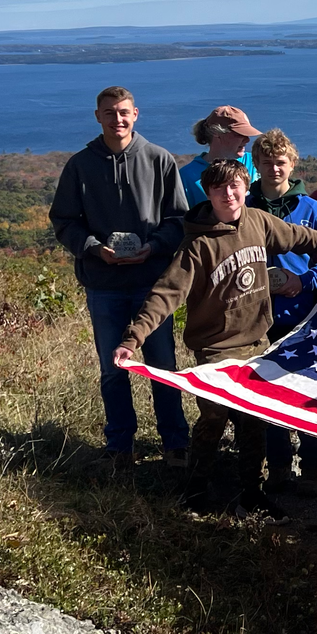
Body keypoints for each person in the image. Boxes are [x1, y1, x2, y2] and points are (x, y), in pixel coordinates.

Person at [113, 160, 317, 514]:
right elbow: (166, 294)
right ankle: (196, 490)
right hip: (215, 349)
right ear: (208, 193)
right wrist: (132, 338)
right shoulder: (196, 244)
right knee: (213, 419)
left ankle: (252, 493)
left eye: (234, 187)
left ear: (246, 187)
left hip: (256, 344)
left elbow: (300, 237)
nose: (228, 195)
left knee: (253, 422)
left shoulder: (258, 221)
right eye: (218, 189)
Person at [49, 86, 191, 473]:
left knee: (163, 367)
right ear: (98, 116)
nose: (118, 119)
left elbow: (179, 220)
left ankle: (176, 444)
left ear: (136, 114)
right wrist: (94, 248)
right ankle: (120, 445)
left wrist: (154, 246)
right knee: (113, 369)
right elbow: (63, 222)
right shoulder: (80, 165)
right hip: (104, 285)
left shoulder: (159, 160)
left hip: (151, 286)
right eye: (109, 113)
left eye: (124, 112)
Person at [247, 130, 317, 499]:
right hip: (258, 321)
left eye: (281, 162)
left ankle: (312, 466)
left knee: (306, 394)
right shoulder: (245, 207)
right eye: (266, 162)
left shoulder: (310, 208)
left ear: (292, 165)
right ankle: (278, 466)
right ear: (255, 165)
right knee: (269, 397)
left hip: (303, 316)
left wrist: (307, 280)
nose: (274, 169)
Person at [178, 106, 261, 207]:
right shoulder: (187, 177)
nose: (247, 140)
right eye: (239, 134)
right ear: (216, 133)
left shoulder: (256, 163)